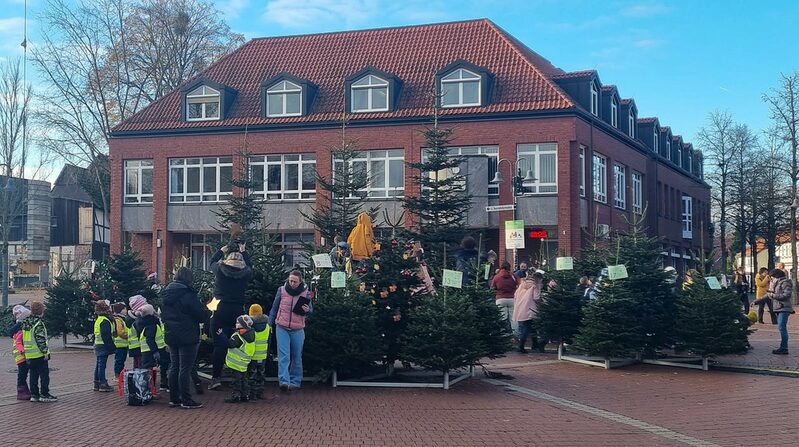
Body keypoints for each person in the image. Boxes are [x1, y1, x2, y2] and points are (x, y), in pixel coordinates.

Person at [161, 267, 210, 409]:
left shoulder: (166, 294)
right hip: (187, 335)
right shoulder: (188, 294)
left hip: (171, 334)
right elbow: (200, 315)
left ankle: (174, 399)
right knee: (185, 368)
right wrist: (207, 311)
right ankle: (186, 399)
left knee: (174, 366)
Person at [208, 243, 253, 390]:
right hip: (238, 312)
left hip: (220, 311)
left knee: (219, 346)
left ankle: (216, 378)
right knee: (238, 344)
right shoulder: (245, 273)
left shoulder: (220, 270)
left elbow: (211, 262)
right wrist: (244, 252)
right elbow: (251, 266)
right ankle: (238, 377)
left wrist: (221, 251)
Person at [269, 270, 313, 391]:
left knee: (296, 356)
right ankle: (284, 381)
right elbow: (274, 308)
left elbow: (311, 310)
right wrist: (269, 324)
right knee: (284, 355)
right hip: (281, 327)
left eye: (295, 281)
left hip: (298, 328)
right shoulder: (281, 290)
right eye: (290, 280)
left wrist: (307, 310)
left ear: (300, 281)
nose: (292, 283)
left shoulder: (306, 293)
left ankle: (295, 381)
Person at [23, 301, 57, 402]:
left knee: (33, 375)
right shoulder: (39, 324)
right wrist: (45, 352)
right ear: (41, 311)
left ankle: (34, 394)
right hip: (39, 354)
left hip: (29, 354)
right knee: (44, 375)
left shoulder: (26, 323)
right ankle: (44, 394)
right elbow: (40, 339)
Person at [135, 303, 169, 390]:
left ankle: (149, 389)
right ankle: (151, 389)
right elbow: (150, 339)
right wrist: (155, 351)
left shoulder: (141, 322)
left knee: (148, 369)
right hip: (154, 350)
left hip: (145, 350)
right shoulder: (152, 324)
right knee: (152, 370)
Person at [225, 315, 255, 403]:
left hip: (236, 364)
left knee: (236, 381)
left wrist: (221, 336)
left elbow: (230, 344)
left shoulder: (238, 336)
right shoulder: (251, 334)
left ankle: (236, 396)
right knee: (244, 380)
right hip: (244, 363)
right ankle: (245, 395)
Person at [513, 270, 543, 353]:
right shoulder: (536, 285)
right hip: (531, 308)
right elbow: (536, 298)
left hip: (520, 307)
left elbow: (515, 295)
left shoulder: (522, 284)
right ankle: (521, 346)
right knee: (528, 326)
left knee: (528, 326)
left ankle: (534, 343)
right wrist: (542, 302)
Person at [247, 304, 270, 401]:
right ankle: (260, 393)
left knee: (251, 375)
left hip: (252, 355)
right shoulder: (268, 327)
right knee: (261, 375)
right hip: (263, 355)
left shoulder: (249, 327)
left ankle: (252, 395)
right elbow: (269, 341)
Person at [768, 269, 794, 355]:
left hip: (784, 308)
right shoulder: (775, 283)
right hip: (778, 308)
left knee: (782, 327)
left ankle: (784, 348)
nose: (771, 279)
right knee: (781, 327)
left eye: (772, 277)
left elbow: (787, 294)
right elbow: (769, 294)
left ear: (776, 276)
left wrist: (774, 296)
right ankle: (783, 347)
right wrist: (757, 301)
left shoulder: (785, 283)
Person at [9, 305, 32, 400]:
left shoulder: (17, 327)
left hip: (19, 354)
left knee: (23, 372)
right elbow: (19, 342)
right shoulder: (20, 329)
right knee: (22, 373)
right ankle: (21, 391)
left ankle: (24, 390)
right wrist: (23, 352)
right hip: (21, 355)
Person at [93, 300, 116, 392]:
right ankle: (102, 383)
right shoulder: (105, 320)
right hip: (103, 345)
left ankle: (97, 383)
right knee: (101, 365)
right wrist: (112, 347)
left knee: (98, 365)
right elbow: (106, 336)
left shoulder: (99, 319)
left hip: (98, 344)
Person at [491, 261, 518, 335]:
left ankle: (503, 333)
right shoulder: (513, 276)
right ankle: (516, 334)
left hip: (500, 298)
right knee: (513, 318)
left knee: (502, 317)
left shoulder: (497, 277)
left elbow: (492, 288)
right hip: (512, 298)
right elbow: (518, 285)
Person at [127, 295, 147, 369]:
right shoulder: (138, 321)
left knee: (136, 364)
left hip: (133, 346)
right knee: (141, 364)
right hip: (140, 345)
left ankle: (136, 378)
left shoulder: (129, 319)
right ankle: (141, 379)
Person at [110, 302, 129, 379]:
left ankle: (120, 374)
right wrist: (128, 335)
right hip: (120, 344)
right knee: (119, 360)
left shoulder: (122, 318)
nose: (126, 310)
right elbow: (120, 332)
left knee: (121, 360)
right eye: (124, 308)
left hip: (123, 344)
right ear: (120, 310)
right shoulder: (118, 319)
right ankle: (118, 375)